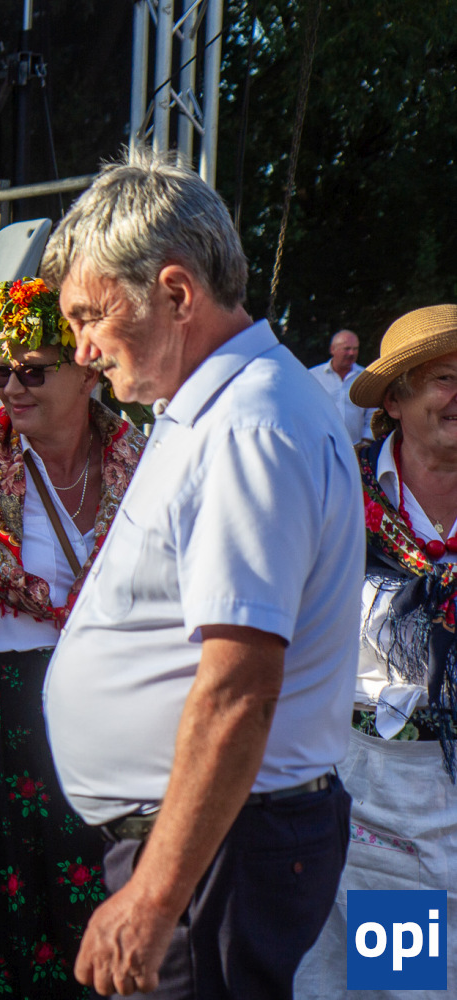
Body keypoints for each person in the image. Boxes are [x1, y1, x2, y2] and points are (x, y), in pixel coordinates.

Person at [39, 148, 361, 999]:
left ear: (177, 293)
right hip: (218, 844)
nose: (82, 351)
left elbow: (239, 684)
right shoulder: (219, 408)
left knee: (406, 970)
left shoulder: (249, 426)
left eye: (90, 317)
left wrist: (155, 895)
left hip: (223, 852)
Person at [0, 277, 144, 999]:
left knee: (99, 906)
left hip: (107, 705)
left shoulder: (144, 464)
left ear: (88, 369)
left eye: (34, 371)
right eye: (0, 371)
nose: (12, 387)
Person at [294, 304, 457, 997]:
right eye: (446, 379)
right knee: (398, 982)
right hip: (382, 790)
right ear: (394, 400)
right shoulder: (338, 489)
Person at [309, 328, 373, 444]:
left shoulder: (365, 378)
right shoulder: (314, 376)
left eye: (355, 349)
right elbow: (306, 411)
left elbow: (372, 413)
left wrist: (366, 441)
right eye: (347, 349)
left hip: (356, 448)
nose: (352, 353)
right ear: (332, 349)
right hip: (321, 446)